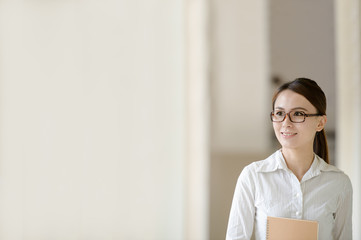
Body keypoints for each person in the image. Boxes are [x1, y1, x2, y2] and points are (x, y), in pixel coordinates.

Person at [226, 78, 352, 240]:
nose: (286, 123)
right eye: (279, 113)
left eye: (298, 114)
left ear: (320, 123)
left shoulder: (339, 183)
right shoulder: (253, 176)